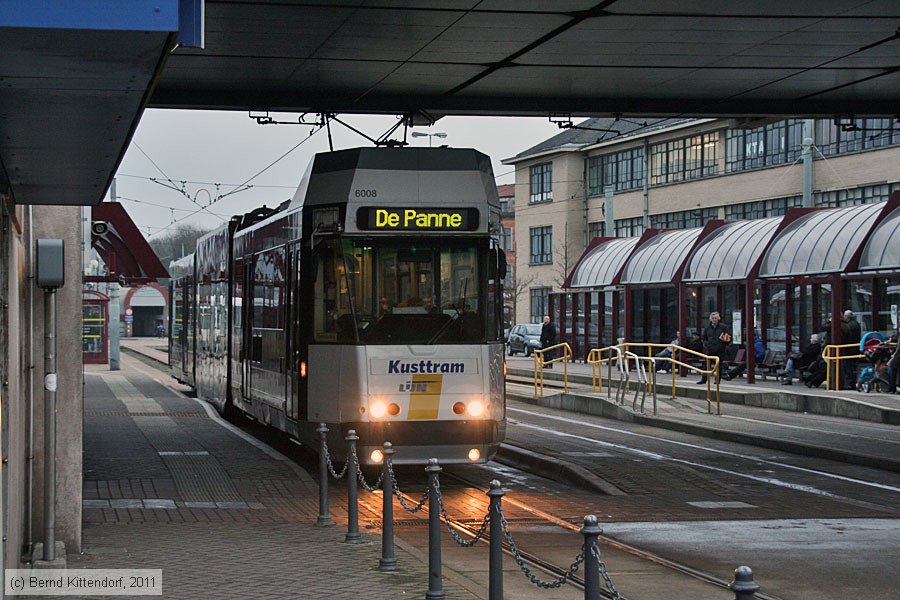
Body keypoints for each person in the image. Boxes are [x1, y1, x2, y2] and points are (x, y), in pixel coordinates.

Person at [698, 312, 731, 384]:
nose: (714, 319)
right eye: (713, 318)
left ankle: (717, 380)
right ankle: (704, 379)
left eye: (716, 318)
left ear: (718, 318)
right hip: (710, 349)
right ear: (710, 319)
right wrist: (707, 345)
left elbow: (728, 337)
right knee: (706, 365)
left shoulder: (724, 327)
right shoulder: (707, 328)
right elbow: (704, 338)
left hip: (720, 349)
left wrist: (722, 344)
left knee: (719, 366)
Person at [841, 310, 861, 389]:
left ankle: (850, 383)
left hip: (850, 349)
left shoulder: (850, 326)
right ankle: (851, 382)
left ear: (846, 317)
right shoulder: (855, 324)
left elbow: (848, 337)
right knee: (851, 367)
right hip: (854, 348)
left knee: (849, 367)